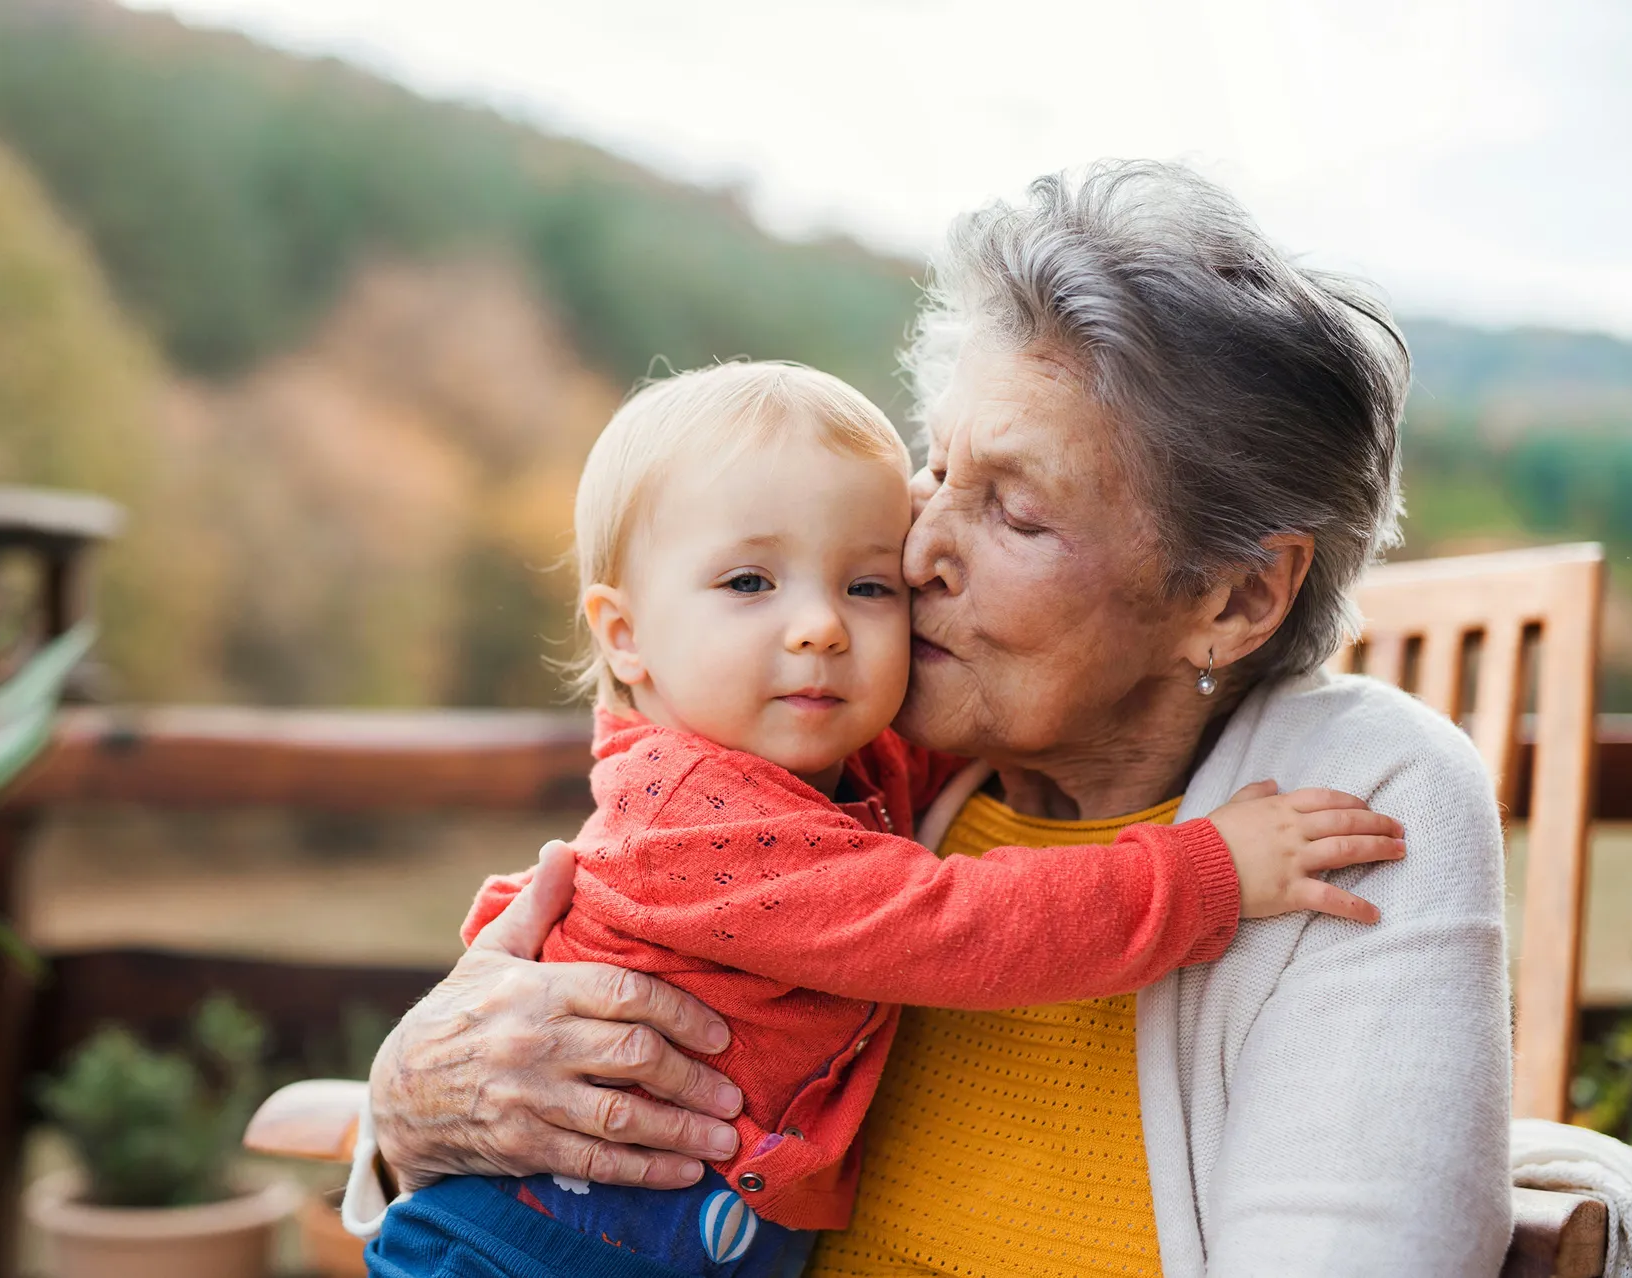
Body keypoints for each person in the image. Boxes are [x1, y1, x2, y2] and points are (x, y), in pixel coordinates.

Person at [350, 162, 1514, 1276]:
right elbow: (579, 950)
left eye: (1011, 510)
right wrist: (412, 1104)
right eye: (937, 471)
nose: (916, 551)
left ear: (1236, 596)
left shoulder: (1362, 797)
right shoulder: (860, 756)